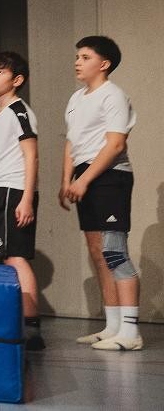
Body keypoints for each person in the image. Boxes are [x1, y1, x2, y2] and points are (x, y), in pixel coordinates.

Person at [59, 36, 142, 351]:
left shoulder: (114, 96)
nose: (78, 61)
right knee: (97, 253)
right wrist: (68, 179)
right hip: (85, 176)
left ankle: (131, 333)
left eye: (85, 56)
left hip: (110, 176)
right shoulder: (76, 98)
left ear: (104, 63)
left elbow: (116, 144)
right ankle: (112, 326)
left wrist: (86, 179)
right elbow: (72, 142)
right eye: (77, 56)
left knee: (114, 251)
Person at [0, 51, 44, 351]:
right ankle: (16, 321)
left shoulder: (19, 110)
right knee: (6, 257)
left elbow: (31, 156)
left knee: (16, 257)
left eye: (0, 72)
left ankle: (32, 330)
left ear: (16, 80)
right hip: (2, 190)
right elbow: (5, 159)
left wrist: (26, 198)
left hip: (15, 191)